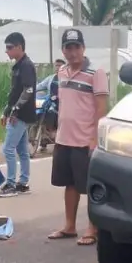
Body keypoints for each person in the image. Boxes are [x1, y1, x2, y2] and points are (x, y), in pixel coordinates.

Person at [47, 29, 109, 246]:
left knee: (90, 187)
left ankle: (93, 229)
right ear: (63, 50)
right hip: (64, 139)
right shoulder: (62, 71)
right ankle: (70, 226)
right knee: (69, 185)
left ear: (83, 48)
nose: (72, 52)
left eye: (76, 47)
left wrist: (94, 138)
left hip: (85, 141)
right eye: (68, 47)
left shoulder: (96, 73)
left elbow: (101, 108)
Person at [0, 31, 38, 197]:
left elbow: (28, 90)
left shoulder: (26, 65)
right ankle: (23, 183)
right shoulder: (19, 65)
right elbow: (15, 92)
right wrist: (6, 111)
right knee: (21, 150)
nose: (7, 51)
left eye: (9, 47)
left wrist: (15, 110)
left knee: (7, 149)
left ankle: (12, 184)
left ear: (19, 47)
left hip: (21, 114)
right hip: (19, 113)